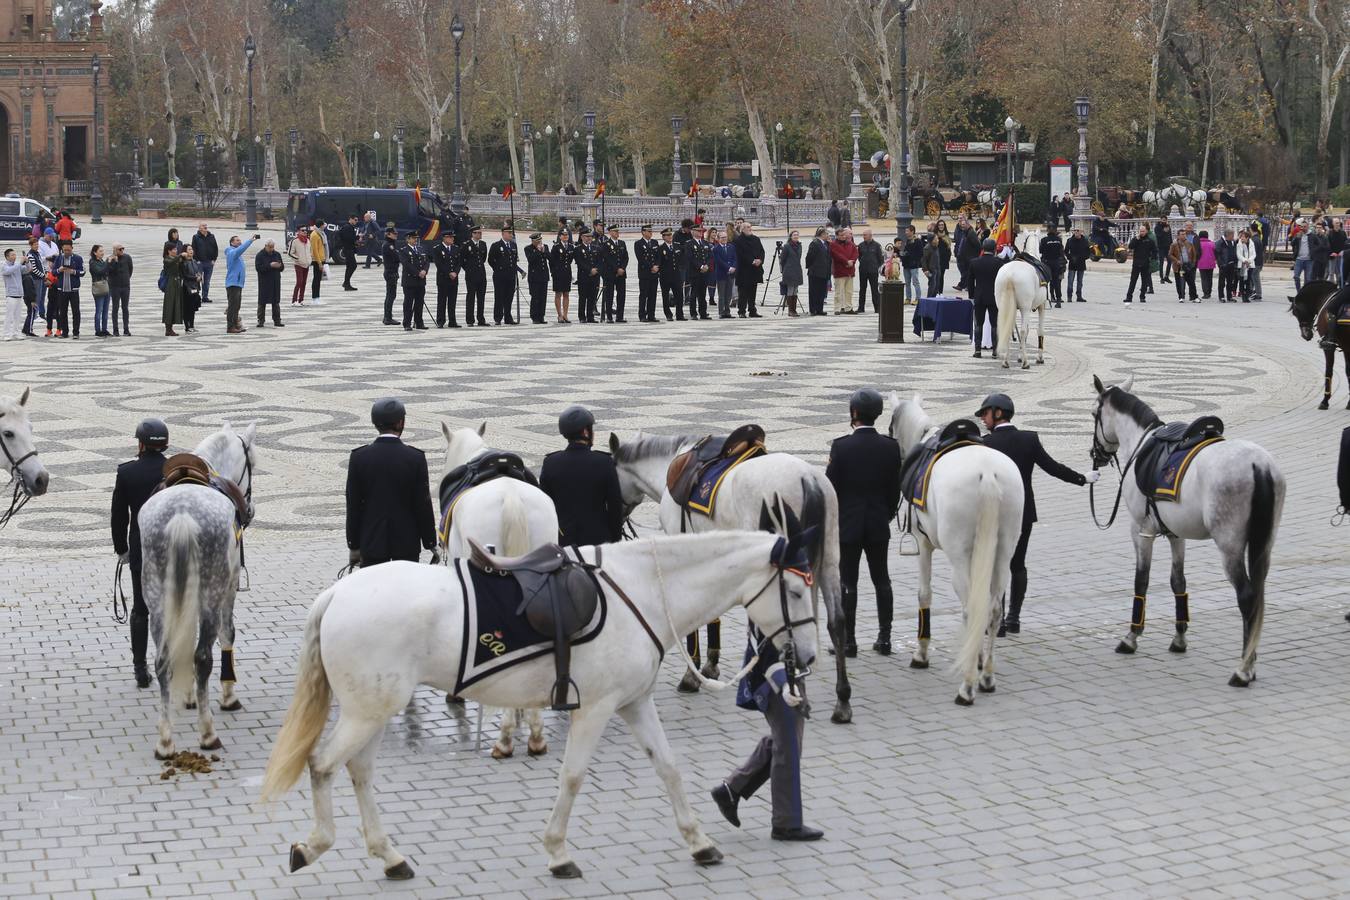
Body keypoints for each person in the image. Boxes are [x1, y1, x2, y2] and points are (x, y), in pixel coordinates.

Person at [713, 568, 822, 842]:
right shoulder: (771, 592)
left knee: (786, 737)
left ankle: (732, 789)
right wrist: (784, 682)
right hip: (775, 674)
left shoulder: (777, 582)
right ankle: (786, 822)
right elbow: (766, 646)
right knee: (788, 745)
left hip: (788, 669)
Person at [977, 393, 1096, 635]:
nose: (982, 419)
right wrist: (1083, 479)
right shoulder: (1028, 439)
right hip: (1023, 513)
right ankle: (1014, 619)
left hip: (992, 513)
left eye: (985, 414)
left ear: (998, 413)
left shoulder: (984, 444)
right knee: (1017, 565)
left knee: (993, 565)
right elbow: (1053, 468)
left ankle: (996, 621)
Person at [826, 388, 901, 655]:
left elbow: (830, 488)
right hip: (878, 524)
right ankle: (885, 638)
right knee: (883, 580)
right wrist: (887, 513)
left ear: (854, 413)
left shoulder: (842, 446)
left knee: (848, 582)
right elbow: (895, 489)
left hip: (848, 526)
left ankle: (848, 641)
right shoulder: (891, 447)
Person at [111, 418, 172, 688]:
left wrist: (122, 548)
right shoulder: (176, 471)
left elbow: (118, 516)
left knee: (141, 608)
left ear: (140, 443)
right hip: (173, 548)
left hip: (141, 549)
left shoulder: (126, 473)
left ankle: (140, 669)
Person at [344, 398, 437, 569]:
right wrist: (430, 542)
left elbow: (353, 505)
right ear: (401, 422)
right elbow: (422, 504)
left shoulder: (359, 457)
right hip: (406, 542)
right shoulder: (415, 458)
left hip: (372, 542)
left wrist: (354, 544)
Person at [539, 405, 624, 551]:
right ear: (586, 431)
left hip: (563, 541)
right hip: (598, 543)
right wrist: (615, 539)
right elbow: (615, 507)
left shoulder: (551, 462)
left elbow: (545, 505)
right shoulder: (604, 462)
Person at [967, 239, 1002, 357]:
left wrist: (971, 296)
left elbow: (970, 282)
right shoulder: (999, 263)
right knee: (994, 324)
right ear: (994, 249)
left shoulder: (974, 262)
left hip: (980, 296)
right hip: (994, 297)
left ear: (983, 248)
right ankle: (995, 350)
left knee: (979, 324)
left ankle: (977, 350)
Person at [223, 234, 257, 334]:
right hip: (233, 283)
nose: (239, 241)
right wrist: (250, 240)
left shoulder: (236, 253)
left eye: (240, 240)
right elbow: (240, 249)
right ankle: (230, 327)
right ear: (232, 242)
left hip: (238, 283)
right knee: (232, 306)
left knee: (236, 306)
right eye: (237, 240)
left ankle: (236, 325)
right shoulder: (231, 252)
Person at [488, 224, 521, 325]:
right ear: (503, 234)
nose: (511, 235)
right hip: (500, 276)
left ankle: (508, 317)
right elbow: (490, 260)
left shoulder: (513, 245)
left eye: (511, 233)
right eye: (509, 233)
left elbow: (514, 260)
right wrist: (498, 269)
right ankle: (498, 317)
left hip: (511, 275)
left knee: (509, 297)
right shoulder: (496, 245)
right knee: (499, 297)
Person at [52, 240, 84, 339]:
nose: (66, 252)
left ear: (72, 249)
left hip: (73, 290)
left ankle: (76, 332)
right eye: (64, 250)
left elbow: (82, 272)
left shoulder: (77, 258)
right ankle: (64, 332)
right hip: (62, 289)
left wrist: (73, 272)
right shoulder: (58, 258)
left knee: (76, 311)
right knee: (62, 312)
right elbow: (53, 272)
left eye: (68, 250)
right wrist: (59, 270)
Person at [733, 222, 765, 318]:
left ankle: (752, 310)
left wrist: (760, 260)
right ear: (742, 229)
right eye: (747, 227)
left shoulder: (756, 239)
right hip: (744, 270)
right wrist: (752, 261)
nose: (749, 228)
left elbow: (761, 251)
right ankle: (741, 311)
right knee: (743, 292)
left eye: (750, 227)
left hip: (755, 270)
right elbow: (740, 254)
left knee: (753, 291)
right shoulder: (738, 240)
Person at [399, 231, 429, 331]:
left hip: (421, 281)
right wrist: (418, 273)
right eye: (413, 238)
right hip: (410, 281)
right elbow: (406, 264)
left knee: (419, 302)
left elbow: (426, 261)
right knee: (408, 303)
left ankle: (419, 322)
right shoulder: (404, 250)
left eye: (416, 238)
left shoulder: (421, 249)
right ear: (407, 239)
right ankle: (407, 323)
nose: (415, 240)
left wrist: (425, 270)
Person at [430, 230, 461, 328]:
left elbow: (458, 263)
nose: (452, 239)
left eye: (453, 237)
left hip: (454, 279)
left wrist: (455, 272)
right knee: (442, 301)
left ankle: (452, 321)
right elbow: (439, 264)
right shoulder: (437, 249)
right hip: (443, 278)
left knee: (452, 301)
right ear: (444, 238)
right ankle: (440, 320)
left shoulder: (456, 248)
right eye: (450, 237)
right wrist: (449, 273)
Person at [254, 239, 286, 327]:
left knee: (275, 301)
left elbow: (282, 267)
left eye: (273, 247)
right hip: (264, 281)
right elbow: (258, 268)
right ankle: (261, 320)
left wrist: (279, 266)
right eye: (270, 247)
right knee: (262, 301)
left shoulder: (277, 254)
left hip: (275, 281)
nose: (272, 249)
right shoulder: (260, 255)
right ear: (266, 246)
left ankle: (277, 320)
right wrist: (270, 265)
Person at [601, 223, 628, 323]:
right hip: (610, 273)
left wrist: (622, 268)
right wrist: (617, 269)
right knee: (609, 295)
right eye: (615, 231)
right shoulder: (606, 244)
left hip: (621, 273)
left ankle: (619, 316)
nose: (617, 233)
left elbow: (626, 257)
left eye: (618, 231)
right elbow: (607, 258)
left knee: (621, 295)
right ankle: (609, 316)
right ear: (610, 232)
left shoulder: (622, 243)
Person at [573, 230, 602, 324]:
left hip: (595, 277)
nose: (589, 238)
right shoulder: (578, 249)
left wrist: (596, 269)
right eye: (586, 236)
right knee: (583, 297)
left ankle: (590, 316)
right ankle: (582, 316)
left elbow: (600, 260)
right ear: (582, 237)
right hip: (584, 276)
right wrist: (590, 270)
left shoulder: (596, 248)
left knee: (592, 297)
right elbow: (580, 262)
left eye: (590, 236)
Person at [462, 225, 488, 326]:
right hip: (471, 275)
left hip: (481, 274)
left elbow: (483, 258)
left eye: (480, 233)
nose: (479, 234)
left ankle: (481, 319)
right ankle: (470, 320)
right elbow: (462, 260)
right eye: (477, 233)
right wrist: (468, 269)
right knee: (471, 297)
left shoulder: (483, 244)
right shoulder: (466, 244)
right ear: (472, 234)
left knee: (481, 298)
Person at [684, 225, 712, 320]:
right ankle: (693, 313)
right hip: (695, 272)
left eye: (702, 231)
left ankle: (703, 312)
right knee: (694, 293)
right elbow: (690, 258)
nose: (701, 233)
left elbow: (709, 256)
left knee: (703, 294)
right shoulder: (689, 244)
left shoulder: (705, 243)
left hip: (704, 272)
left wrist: (707, 265)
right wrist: (700, 266)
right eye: (698, 231)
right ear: (693, 231)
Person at [635, 224, 661, 324]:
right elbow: (641, 259)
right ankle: (642, 315)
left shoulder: (655, 242)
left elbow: (658, 256)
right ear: (643, 232)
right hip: (645, 273)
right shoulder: (638, 243)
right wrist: (651, 266)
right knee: (644, 295)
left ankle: (651, 314)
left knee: (652, 295)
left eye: (651, 231)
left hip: (654, 273)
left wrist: (657, 266)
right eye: (648, 231)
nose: (650, 233)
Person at [829, 227, 859, 314]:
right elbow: (837, 255)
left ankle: (848, 307)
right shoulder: (833, 244)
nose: (843, 237)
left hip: (850, 270)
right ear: (837, 236)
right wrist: (846, 261)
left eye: (844, 235)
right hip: (840, 271)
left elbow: (855, 253)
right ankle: (837, 308)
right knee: (839, 292)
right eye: (841, 235)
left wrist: (852, 261)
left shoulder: (850, 243)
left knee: (849, 291)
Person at [803, 226, 831, 316]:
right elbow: (809, 257)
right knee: (814, 291)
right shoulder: (814, 243)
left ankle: (820, 309)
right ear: (822, 234)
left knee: (822, 291)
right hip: (815, 272)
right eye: (826, 233)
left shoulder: (826, 244)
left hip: (824, 272)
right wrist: (812, 267)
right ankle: (813, 309)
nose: (828, 235)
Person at [854, 228, 883, 314]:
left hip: (873, 271)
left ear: (870, 236)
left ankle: (877, 308)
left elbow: (880, 259)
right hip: (863, 270)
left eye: (865, 235)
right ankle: (861, 307)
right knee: (862, 289)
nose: (864, 237)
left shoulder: (877, 245)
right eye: (863, 235)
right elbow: (859, 257)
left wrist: (875, 266)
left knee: (874, 289)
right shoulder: (861, 245)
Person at [525, 232, 551, 324]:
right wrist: (537, 251)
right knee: (535, 297)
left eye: (540, 240)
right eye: (537, 241)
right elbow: (530, 260)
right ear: (533, 241)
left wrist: (544, 251)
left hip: (544, 276)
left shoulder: (545, 247)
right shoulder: (528, 248)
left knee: (543, 297)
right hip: (534, 277)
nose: (539, 242)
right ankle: (534, 316)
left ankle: (541, 316)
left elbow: (550, 257)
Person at [1168, 225, 1199, 303]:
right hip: (1179, 267)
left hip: (1188, 266)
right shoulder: (1174, 244)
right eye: (1182, 234)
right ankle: (1181, 296)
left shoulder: (1189, 243)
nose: (1184, 236)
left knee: (1191, 282)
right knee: (1180, 282)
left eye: (1184, 234)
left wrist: (1193, 263)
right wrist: (1176, 260)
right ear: (1178, 236)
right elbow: (1170, 255)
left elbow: (1194, 254)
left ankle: (1194, 296)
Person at [190, 223, 219, 304]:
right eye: (203, 226)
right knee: (197, 279)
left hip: (209, 262)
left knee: (207, 281)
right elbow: (193, 248)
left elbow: (215, 248)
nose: (205, 227)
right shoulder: (196, 237)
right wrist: (196, 260)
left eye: (206, 225)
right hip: (199, 262)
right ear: (199, 228)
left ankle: (205, 297)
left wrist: (214, 259)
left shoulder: (211, 236)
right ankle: (196, 296)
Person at [1125, 224, 1154, 305]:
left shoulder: (1149, 241)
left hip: (1145, 264)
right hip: (1136, 263)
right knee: (1133, 281)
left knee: (1144, 282)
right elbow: (1130, 246)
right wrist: (1135, 239)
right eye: (1140, 231)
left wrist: (1151, 260)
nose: (1142, 233)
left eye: (1143, 231)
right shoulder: (1136, 239)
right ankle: (1129, 297)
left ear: (1146, 231)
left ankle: (1142, 297)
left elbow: (1154, 251)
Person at [108, 244, 133, 336]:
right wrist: (115, 261)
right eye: (119, 249)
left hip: (125, 286)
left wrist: (126, 279)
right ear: (114, 250)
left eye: (123, 249)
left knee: (125, 308)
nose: (122, 250)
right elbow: (109, 271)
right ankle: (115, 329)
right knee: (115, 308)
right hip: (114, 287)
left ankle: (126, 329)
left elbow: (130, 270)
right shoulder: (110, 259)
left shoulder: (127, 257)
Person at [712, 228, 737, 319]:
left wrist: (734, 267)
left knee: (729, 294)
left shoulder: (731, 247)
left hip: (731, 274)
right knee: (721, 294)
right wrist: (728, 267)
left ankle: (727, 311)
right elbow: (718, 261)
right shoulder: (716, 248)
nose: (724, 239)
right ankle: (721, 312)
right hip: (721, 274)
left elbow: (735, 258)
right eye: (722, 238)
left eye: (725, 237)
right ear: (718, 239)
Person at [1038, 224, 1066, 307]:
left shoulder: (1044, 240)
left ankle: (1046, 300)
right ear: (1055, 230)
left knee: (1045, 282)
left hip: (1046, 263)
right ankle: (1058, 300)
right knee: (1056, 282)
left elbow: (1040, 251)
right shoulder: (1058, 240)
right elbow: (1061, 251)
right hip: (1056, 263)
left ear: (1047, 230)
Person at [659, 226, 683, 320]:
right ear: (663, 237)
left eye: (670, 235)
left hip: (676, 275)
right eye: (667, 235)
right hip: (665, 276)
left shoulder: (676, 246)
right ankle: (668, 314)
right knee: (665, 296)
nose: (670, 236)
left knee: (679, 295)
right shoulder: (661, 248)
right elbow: (659, 262)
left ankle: (679, 314)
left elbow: (680, 259)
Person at [87, 245, 111, 337]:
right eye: (100, 251)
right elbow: (100, 271)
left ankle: (104, 329)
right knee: (99, 309)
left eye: (103, 251)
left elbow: (107, 271)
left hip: (106, 286)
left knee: (105, 310)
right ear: (95, 252)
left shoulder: (102, 261)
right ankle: (98, 330)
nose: (102, 253)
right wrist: (107, 264)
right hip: (98, 287)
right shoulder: (92, 262)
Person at [161, 241, 184, 336]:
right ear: (169, 251)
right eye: (174, 249)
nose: (176, 250)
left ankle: (171, 328)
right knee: (169, 305)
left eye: (176, 249)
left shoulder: (175, 258)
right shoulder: (167, 259)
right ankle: (168, 328)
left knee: (175, 304)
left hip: (177, 283)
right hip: (170, 283)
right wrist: (180, 256)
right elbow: (171, 263)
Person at [778, 229, 803, 317]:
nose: (796, 236)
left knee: (795, 290)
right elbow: (782, 259)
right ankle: (790, 310)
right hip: (789, 270)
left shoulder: (799, 246)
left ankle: (794, 309)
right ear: (791, 237)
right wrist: (785, 269)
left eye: (797, 235)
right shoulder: (787, 246)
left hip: (797, 270)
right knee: (790, 290)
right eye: (794, 235)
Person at [923, 223, 951, 297]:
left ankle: (934, 298)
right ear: (932, 240)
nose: (938, 240)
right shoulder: (927, 248)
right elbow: (924, 260)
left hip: (937, 269)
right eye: (936, 239)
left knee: (936, 286)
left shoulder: (936, 247)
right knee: (932, 286)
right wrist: (925, 270)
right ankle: (929, 299)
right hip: (931, 270)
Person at [1, 249, 23, 341]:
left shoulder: (17, 265)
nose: (14, 256)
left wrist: (28, 262)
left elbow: (27, 270)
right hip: (11, 295)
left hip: (19, 294)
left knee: (18, 316)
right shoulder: (4, 265)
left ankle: (16, 333)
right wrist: (19, 264)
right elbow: (8, 271)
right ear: (7, 257)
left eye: (15, 255)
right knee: (9, 315)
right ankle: (6, 334)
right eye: (12, 255)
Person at [381, 227, 401, 325]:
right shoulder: (388, 245)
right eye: (394, 234)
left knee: (391, 295)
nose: (396, 235)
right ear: (388, 234)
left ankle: (387, 316)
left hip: (392, 272)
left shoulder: (391, 244)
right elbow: (397, 257)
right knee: (390, 295)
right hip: (390, 272)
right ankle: (387, 317)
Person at [180, 245, 202, 333]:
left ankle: (192, 325)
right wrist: (194, 278)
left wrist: (199, 276)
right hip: (187, 287)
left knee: (193, 308)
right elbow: (185, 275)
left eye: (192, 249)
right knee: (187, 308)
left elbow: (198, 272)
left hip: (195, 287)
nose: (191, 251)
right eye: (189, 249)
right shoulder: (183, 262)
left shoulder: (194, 261)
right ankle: (187, 326)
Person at [900, 225, 924, 304]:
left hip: (913, 265)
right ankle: (908, 298)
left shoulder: (917, 241)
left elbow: (920, 253)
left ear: (912, 231)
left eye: (907, 231)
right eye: (906, 231)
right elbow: (906, 251)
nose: (906, 233)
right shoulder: (907, 240)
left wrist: (914, 259)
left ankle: (918, 298)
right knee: (907, 282)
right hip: (906, 264)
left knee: (915, 282)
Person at [1214, 229, 1240, 303]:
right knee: (1221, 282)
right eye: (1232, 235)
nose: (1233, 236)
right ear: (1228, 235)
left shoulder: (1233, 242)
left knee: (1230, 282)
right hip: (1224, 265)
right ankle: (1221, 296)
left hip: (1232, 265)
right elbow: (1217, 254)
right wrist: (1220, 264)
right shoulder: (1220, 242)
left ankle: (1229, 296)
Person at [953, 216, 978, 290]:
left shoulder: (970, 233)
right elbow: (957, 241)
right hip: (960, 254)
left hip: (968, 256)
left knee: (966, 272)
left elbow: (977, 245)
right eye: (961, 224)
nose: (962, 226)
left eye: (964, 224)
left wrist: (974, 254)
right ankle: (964, 284)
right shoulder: (960, 230)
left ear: (968, 224)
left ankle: (963, 285)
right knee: (963, 271)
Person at [287, 227, 311, 306]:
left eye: (306, 230)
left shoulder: (308, 241)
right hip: (298, 264)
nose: (305, 232)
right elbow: (290, 253)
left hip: (306, 264)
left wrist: (310, 260)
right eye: (303, 230)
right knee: (299, 282)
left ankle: (301, 300)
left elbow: (310, 251)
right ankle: (294, 300)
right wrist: (297, 258)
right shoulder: (294, 241)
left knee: (304, 283)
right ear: (298, 231)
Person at [338, 214, 360, 291]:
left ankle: (347, 284)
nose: (356, 222)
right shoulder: (347, 227)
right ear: (351, 219)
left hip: (348, 249)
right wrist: (357, 237)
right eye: (355, 220)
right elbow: (349, 238)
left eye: (357, 220)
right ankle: (346, 283)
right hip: (348, 249)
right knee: (353, 265)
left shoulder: (349, 227)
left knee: (350, 266)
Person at [308, 221, 327, 305]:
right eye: (324, 225)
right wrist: (319, 263)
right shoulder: (314, 235)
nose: (325, 226)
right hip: (317, 260)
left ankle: (317, 297)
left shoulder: (321, 233)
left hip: (321, 258)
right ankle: (314, 298)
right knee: (316, 279)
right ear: (321, 225)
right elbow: (315, 250)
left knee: (318, 279)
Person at [1235, 230, 1256, 303]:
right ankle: (1243, 295)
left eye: (1243, 237)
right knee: (1241, 281)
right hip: (1242, 265)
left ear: (1247, 238)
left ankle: (1247, 295)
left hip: (1250, 265)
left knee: (1248, 281)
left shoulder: (1251, 244)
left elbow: (1254, 254)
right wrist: (1245, 261)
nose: (1241, 238)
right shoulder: (1239, 244)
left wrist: (1249, 261)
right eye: (1241, 237)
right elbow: (1238, 254)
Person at [1196, 230, 1217, 299]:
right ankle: (1209, 292)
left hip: (1201, 263)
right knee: (1209, 278)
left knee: (1204, 278)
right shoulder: (1212, 243)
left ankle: (1205, 293)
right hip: (1211, 263)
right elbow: (1216, 253)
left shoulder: (1198, 244)